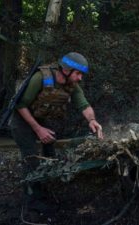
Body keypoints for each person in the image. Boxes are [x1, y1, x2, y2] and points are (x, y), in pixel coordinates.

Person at [10, 52, 103, 214]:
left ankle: (46, 185)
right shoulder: (40, 78)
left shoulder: (71, 84)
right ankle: (32, 199)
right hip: (22, 120)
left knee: (50, 149)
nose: (80, 78)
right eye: (78, 73)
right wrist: (38, 130)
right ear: (66, 70)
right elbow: (20, 105)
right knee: (31, 158)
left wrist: (92, 120)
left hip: (39, 117)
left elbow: (84, 105)